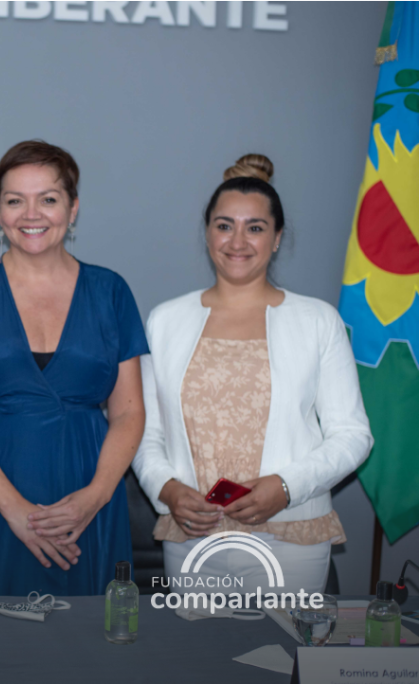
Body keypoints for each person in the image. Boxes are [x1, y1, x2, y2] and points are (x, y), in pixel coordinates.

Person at [132, 154, 373, 596]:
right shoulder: (164, 321)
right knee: (194, 661)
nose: (237, 241)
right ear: (207, 233)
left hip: (290, 536)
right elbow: (145, 434)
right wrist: (167, 490)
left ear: (278, 238)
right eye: (224, 225)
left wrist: (286, 487)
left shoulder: (318, 321)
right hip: (193, 535)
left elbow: (353, 435)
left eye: (255, 228)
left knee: (283, 661)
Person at [0, 140, 148, 596]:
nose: (32, 214)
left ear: (73, 208)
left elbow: (128, 412)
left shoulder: (111, 291)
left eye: (48, 199)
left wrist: (97, 495)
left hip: (87, 502)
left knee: (87, 654)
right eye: (15, 201)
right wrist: (15, 511)